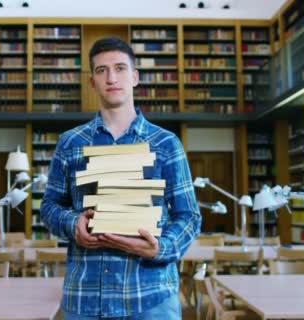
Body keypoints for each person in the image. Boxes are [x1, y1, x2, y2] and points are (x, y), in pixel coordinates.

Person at [40, 37, 201, 319]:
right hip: (86, 298)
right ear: (92, 82)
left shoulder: (166, 143)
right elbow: (49, 207)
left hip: (151, 298)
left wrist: (159, 248)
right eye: (101, 70)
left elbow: (189, 216)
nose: (111, 77)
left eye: (120, 68)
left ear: (135, 77)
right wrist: (72, 223)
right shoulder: (70, 143)